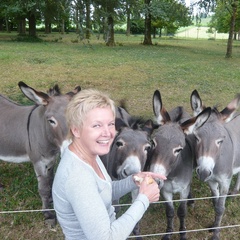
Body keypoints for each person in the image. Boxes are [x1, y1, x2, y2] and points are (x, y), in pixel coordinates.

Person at [52, 89, 166, 240]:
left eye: (110, 124)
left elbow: (103, 191)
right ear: (76, 130)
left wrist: (134, 180)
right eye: (97, 125)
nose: (108, 133)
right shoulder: (77, 177)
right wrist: (144, 199)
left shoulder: (88, 152)